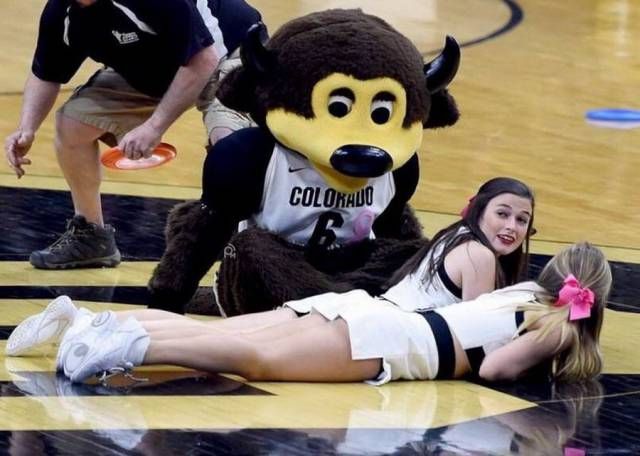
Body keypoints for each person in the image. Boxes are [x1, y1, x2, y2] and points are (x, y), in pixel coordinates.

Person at [6, 242, 611, 385]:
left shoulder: (522, 293)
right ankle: (120, 349)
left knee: (225, 332)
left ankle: (91, 320)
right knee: (255, 360)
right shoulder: (553, 323)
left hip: (377, 316)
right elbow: (496, 369)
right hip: (394, 343)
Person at [4, 0, 262, 270]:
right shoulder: (61, 12)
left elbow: (203, 61)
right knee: (72, 124)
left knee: (228, 144)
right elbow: (46, 74)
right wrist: (26, 128)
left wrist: (153, 127)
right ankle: (91, 237)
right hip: (158, 66)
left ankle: (254, 246)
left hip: (225, 50)